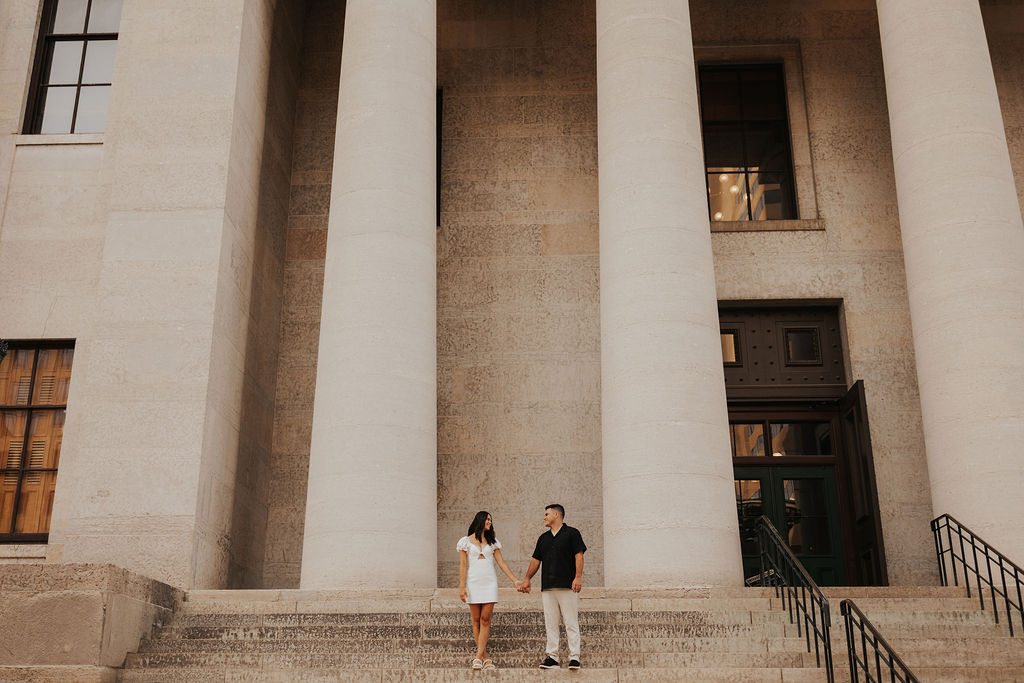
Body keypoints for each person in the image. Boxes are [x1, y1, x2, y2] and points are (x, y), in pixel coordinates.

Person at [519, 503, 587, 670]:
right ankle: (552, 657)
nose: (544, 517)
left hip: (567, 586)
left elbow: (579, 555)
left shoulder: (572, 533)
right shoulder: (543, 538)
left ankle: (574, 657)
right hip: (548, 587)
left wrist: (578, 577)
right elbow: (536, 560)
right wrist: (527, 578)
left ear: (557, 515)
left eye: (547, 514)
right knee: (551, 623)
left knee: (571, 621)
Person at [457, 510, 523, 671]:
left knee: (485, 619)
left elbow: (502, 563)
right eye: (487, 519)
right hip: (473, 583)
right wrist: (461, 586)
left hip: (489, 583)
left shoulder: (493, 542)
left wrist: (515, 580)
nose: (489, 522)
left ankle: (478, 657)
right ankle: (484, 657)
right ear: (480, 520)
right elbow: (463, 565)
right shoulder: (465, 542)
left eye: (490, 520)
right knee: (476, 620)